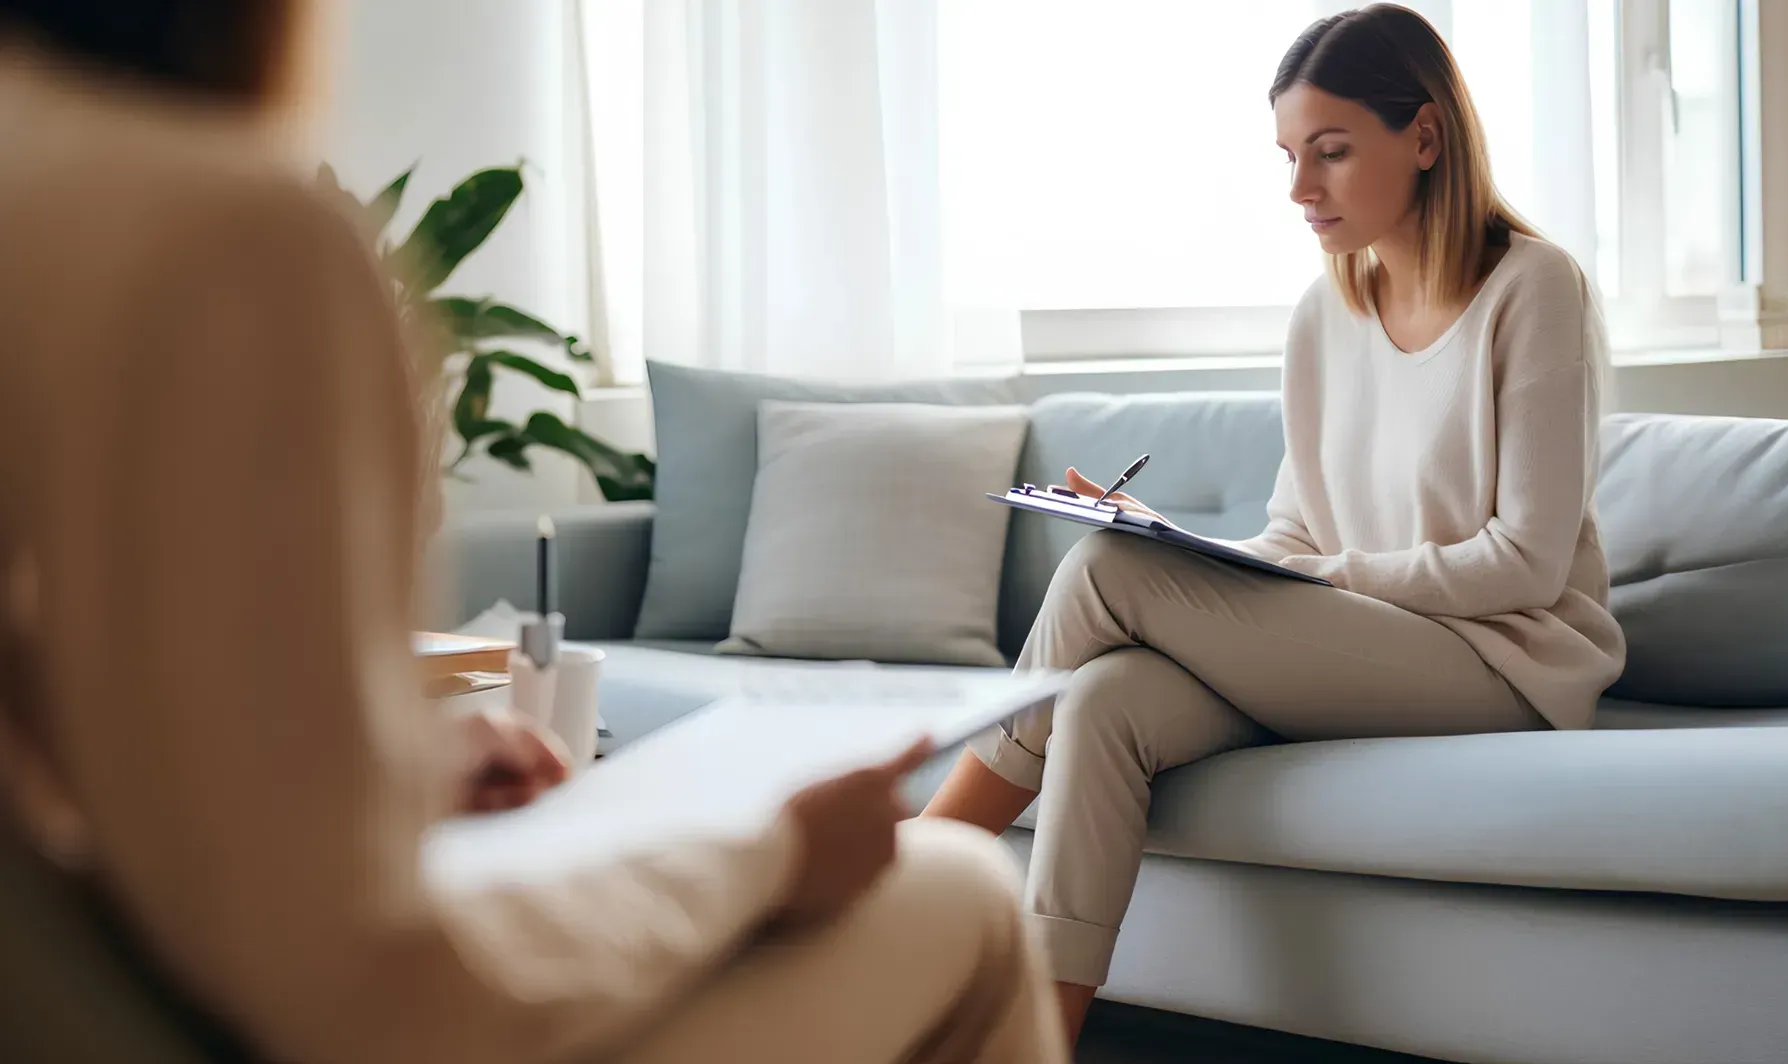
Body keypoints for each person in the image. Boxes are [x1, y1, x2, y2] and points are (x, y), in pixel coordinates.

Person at [0, 2, 1066, 1062]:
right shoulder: (224, 228)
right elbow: (370, 990)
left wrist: (392, 766)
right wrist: (773, 854)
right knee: (961, 887)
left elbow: (100, 747)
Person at [923, 2, 1628, 1043]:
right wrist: (1183, 548)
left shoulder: (1533, 287)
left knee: (1106, 570)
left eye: (1331, 152)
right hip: (1363, 648)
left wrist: (1318, 580)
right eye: (1291, 157)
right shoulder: (1323, 311)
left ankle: (918, 858)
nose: (1301, 189)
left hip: (1502, 663)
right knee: (1108, 697)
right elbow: (1296, 538)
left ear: (1425, 137)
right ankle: (1035, 1039)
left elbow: (1523, 563)